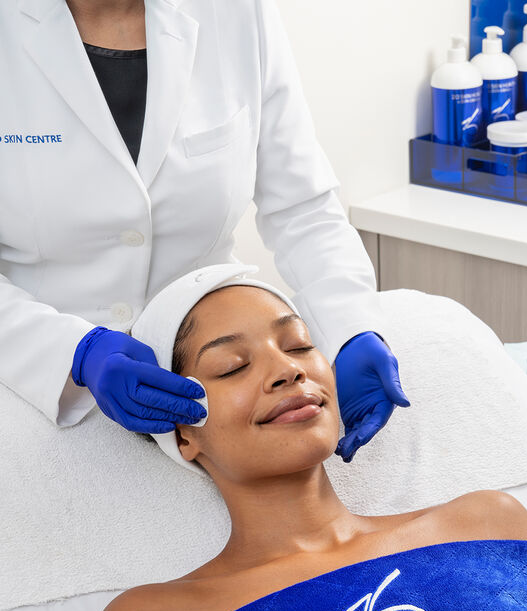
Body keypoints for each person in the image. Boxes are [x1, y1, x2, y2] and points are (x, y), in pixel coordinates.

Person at [93, 270, 527, 611]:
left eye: (300, 343)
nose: (288, 369)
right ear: (183, 434)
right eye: (233, 365)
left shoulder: (484, 521)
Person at [0, 0, 408, 462]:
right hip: (36, 370)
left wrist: (352, 326)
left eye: (295, 346)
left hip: (212, 345)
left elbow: (303, 207)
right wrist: (73, 352)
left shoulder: (236, 12)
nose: (290, 373)